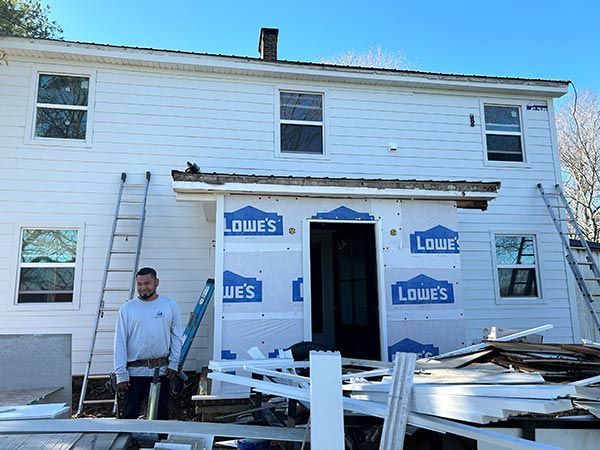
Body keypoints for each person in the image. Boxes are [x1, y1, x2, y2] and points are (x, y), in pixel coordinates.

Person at [114, 267, 183, 419]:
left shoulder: (170, 305)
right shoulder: (127, 308)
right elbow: (119, 341)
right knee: (129, 416)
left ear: (156, 282)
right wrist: (120, 373)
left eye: (147, 283)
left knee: (160, 416)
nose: (143, 288)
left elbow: (177, 337)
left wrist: (174, 363)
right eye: (139, 284)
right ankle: (127, 443)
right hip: (134, 374)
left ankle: (159, 442)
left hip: (161, 372)